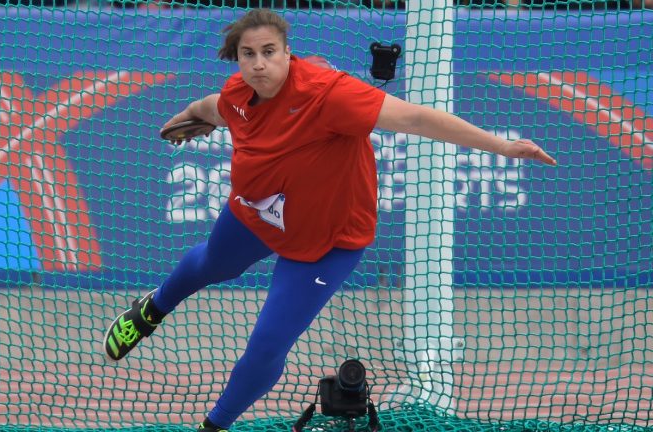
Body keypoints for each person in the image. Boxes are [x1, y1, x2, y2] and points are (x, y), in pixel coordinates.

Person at [103, 8, 556, 432]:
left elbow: (417, 118)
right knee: (209, 265)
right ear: (237, 58)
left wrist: (502, 145)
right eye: (248, 54)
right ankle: (151, 310)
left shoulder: (329, 95)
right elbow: (209, 108)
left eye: (268, 52)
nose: (259, 64)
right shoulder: (237, 96)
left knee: (266, 345)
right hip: (256, 212)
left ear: (286, 53)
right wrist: (184, 118)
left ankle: (214, 425)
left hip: (328, 242)